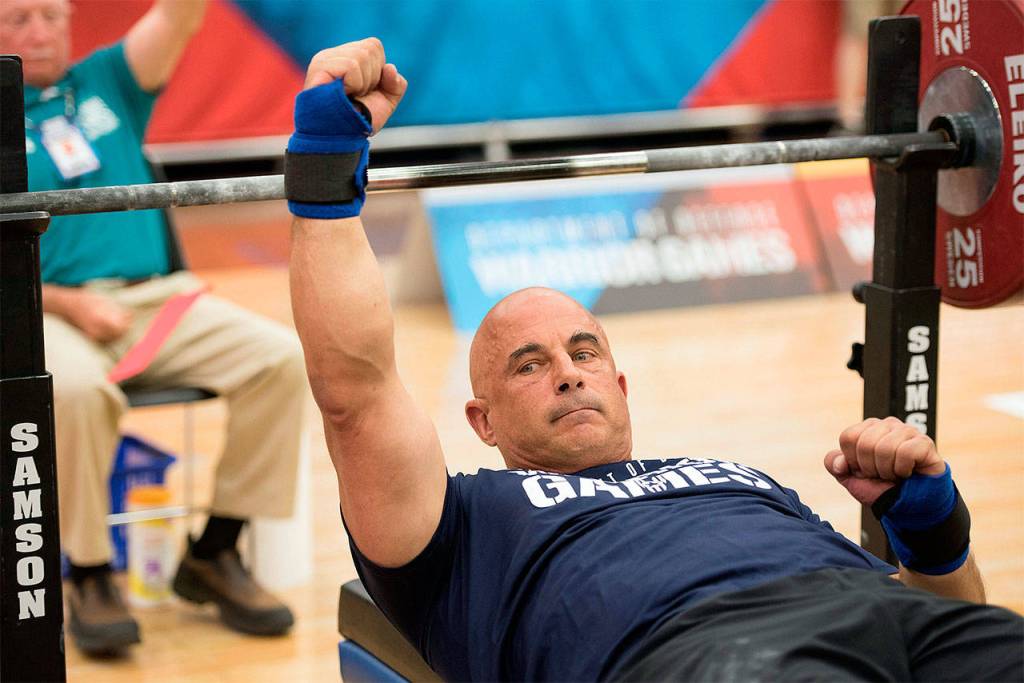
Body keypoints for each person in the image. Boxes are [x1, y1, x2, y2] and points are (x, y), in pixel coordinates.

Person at [286, 40, 1024, 681]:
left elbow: (949, 613)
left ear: (623, 384)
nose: (569, 372)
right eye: (528, 365)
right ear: (482, 421)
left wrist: (933, 532)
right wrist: (327, 154)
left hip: (886, 617)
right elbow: (357, 389)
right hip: (700, 649)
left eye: (583, 351)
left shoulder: (746, 481)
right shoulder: (459, 526)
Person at [1, 0, 302, 655]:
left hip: (156, 300)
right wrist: (70, 305)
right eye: (20, 18)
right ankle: (86, 572)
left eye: (52, 16)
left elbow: (180, 16)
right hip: (46, 309)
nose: (41, 32)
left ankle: (215, 551)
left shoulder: (106, 78)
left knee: (280, 359)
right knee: (74, 391)